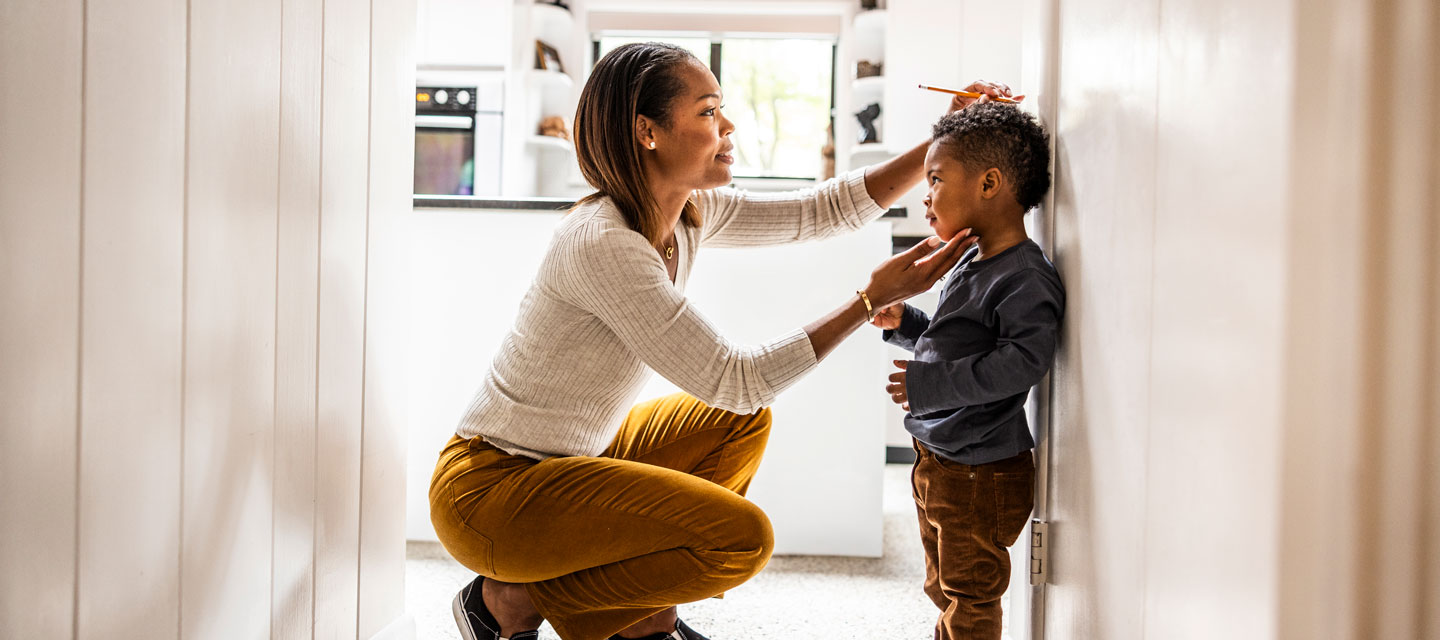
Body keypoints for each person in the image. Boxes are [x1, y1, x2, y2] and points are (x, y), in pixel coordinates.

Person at [429, 40, 1016, 640]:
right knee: (740, 540)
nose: (728, 125)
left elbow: (822, 211)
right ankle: (508, 601)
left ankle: (638, 616)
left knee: (741, 423)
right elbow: (734, 379)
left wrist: (949, 141)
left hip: (578, 459)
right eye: (708, 111)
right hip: (494, 490)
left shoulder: (686, 212)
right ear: (647, 132)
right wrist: (866, 302)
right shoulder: (605, 242)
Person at [869, 103, 1063, 640]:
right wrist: (906, 321)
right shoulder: (974, 260)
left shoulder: (1024, 276)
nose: (925, 194)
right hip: (943, 457)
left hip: (980, 471)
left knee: (971, 592)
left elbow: (1023, 361)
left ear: (989, 184)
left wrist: (927, 385)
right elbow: (958, 339)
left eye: (935, 179)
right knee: (944, 584)